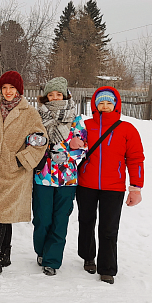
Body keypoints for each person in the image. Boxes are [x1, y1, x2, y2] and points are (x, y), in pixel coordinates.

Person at [0, 71, 47, 280]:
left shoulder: (29, 112)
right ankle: (5, 254)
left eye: (11, 88)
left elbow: (41, 140)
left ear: (19, 90)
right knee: (3, 212)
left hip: (14, 170)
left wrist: (20, 160)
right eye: (4, 88)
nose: (7, 92)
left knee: (0, 212)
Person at [76, 86, 144, 284]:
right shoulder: (86, 126)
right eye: (101, 103)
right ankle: (88, 256)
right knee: (86, 221)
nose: (105, 106)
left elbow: (135, 158)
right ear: (95, 105)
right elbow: (72, 151)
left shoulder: (127, 129)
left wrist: (136, 187)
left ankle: (107, 268)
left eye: (109, 103)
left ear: (116, 105)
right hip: (86, 184)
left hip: (113, 187)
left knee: (109, 227)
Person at [33, 77, 87, 276]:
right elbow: (31, 141)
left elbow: (83, 148)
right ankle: (41, 250)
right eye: (50, 94)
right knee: (42, 219)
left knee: (60, 220)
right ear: (45, 97)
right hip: (43, 176)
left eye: (58, 94)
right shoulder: (37, 117)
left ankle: (52, 260)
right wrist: (44, 149)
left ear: (65, 95)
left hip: (67, 178)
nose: (55, 98)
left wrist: (69, 153)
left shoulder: (76, 119)